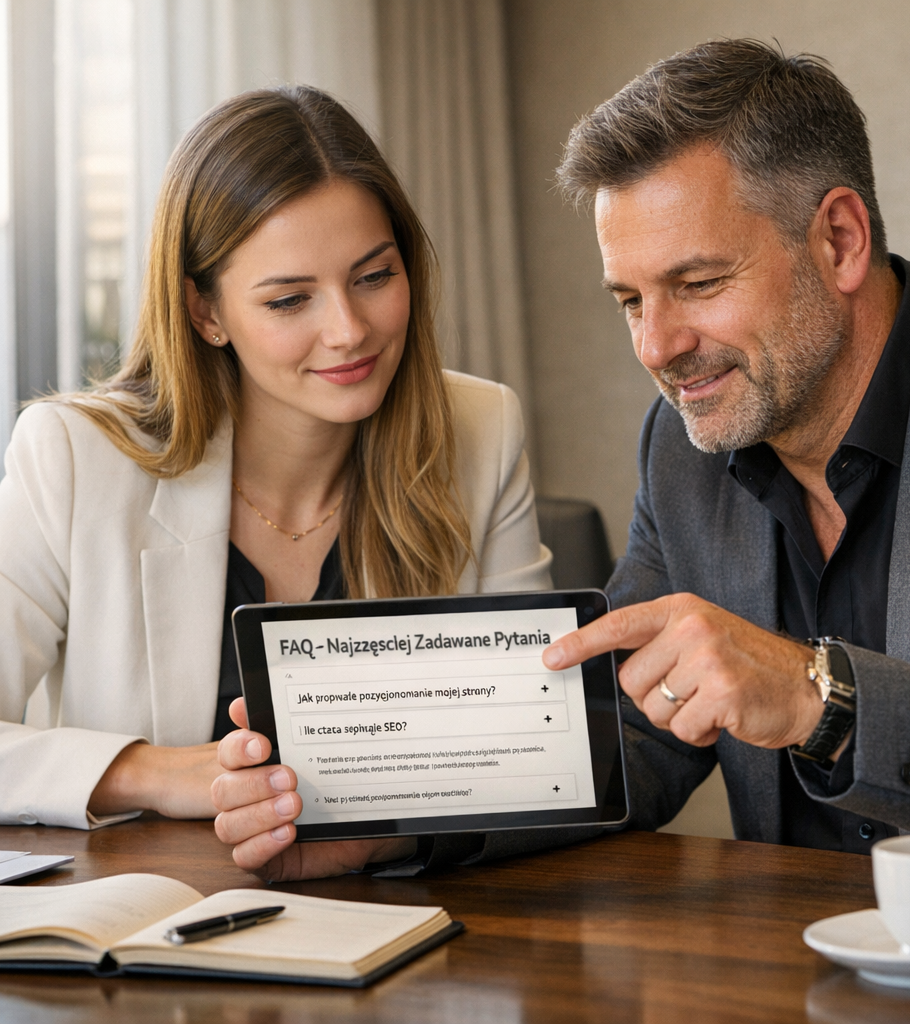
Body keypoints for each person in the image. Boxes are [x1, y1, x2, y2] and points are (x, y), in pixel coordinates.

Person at [0, 85, 551, 873]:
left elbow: (540, 743)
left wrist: (384, 838)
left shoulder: (482, 430)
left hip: (405, 937)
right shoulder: (74, 457)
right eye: (291, 298)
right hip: (150, 942)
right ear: (206, 313)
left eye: (374, 275)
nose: (348, 330)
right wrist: (157, 772)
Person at [538, 38, 910, 852]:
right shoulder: (680, 446)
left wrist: (819, 700)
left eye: (698, 284)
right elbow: (633, 733)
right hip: (789, 968)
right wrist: (377, 823)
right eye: (630, 299)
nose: (656, 347)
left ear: (839, 239)